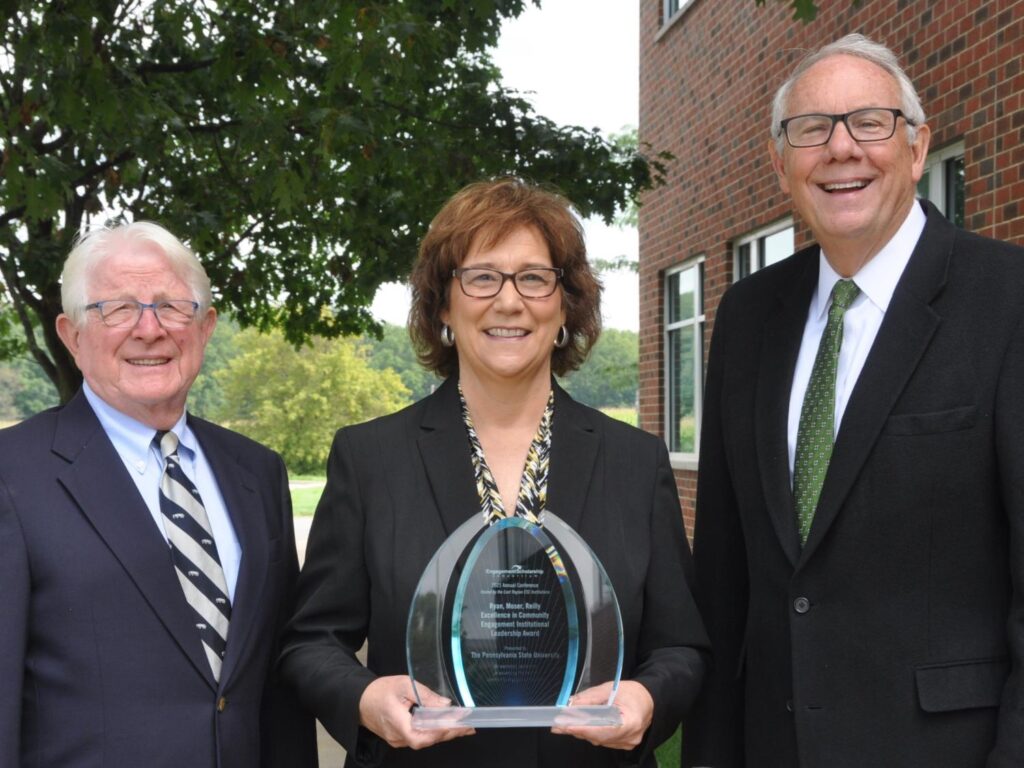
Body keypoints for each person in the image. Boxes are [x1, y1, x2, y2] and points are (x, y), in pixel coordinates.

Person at [279, 178, 708, 767]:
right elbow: (311, 642)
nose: (509, 302)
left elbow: (681, 645)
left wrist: (647, 697)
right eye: (482, 277)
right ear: (443, 306)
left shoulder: (635, 461)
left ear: (565, 306)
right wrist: (363, 697)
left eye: (534, 277)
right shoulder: (371, 458)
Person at [682, 33, 1024, 768]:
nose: (841, 149)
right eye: (811, 129)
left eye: (870, 122)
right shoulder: (745, 316)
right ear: (780, 163)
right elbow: (722, 576)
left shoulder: (1008, 300)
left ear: (916, 145)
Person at [0, 222, 317, 768]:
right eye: (117, 309)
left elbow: (276, 685)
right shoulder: (12, 474)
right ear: (72, 335)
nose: (149, 330)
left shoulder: (257, 473)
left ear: (206, 326)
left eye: (171, 307)